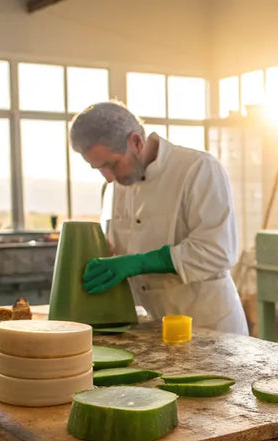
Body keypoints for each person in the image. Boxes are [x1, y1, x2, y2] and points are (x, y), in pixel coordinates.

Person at [68, 102, 248, 335]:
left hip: (208, 327)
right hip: (152, 326)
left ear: (136, 142)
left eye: (111, 164)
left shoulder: (198, 169)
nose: (109, 178)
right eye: (99, 168)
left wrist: (140, 262)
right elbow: (116, 248)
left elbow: (218, 252)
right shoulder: (117, 185)